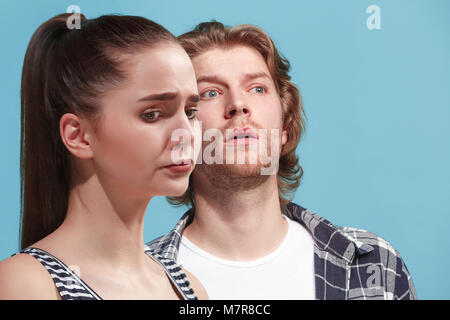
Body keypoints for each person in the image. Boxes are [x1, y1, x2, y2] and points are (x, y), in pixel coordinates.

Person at [146, 21, 417, 300]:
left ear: (285, 127)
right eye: (210, 93)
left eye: (258, 88)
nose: (238, 104)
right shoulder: (136, 284)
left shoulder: (375, 266)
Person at [0, 13, 207, 300]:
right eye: (152, 114)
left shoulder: (189, 288)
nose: (186, 134)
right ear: (78, 135)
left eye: (191, 112)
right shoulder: (25, 285)